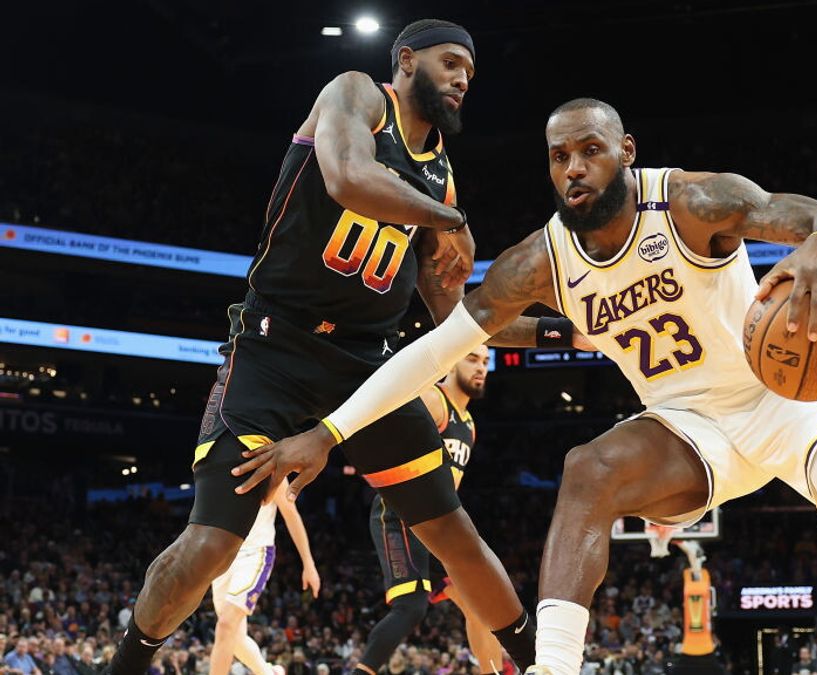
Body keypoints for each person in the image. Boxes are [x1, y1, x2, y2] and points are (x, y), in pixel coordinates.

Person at [232, 98, 817, 675]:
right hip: (686, 428)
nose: (573, 167)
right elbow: (429, 353)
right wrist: (331, 432)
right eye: (559, 155)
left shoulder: (696, 203)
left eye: (590, 150)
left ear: (624, 152)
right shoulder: (539, 262)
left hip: (786, 407)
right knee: (587, 468)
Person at [106, 18, 576, 675]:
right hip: (276, 347)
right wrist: (451, 219)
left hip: (367, 365)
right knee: (211, 541)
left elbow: (460, 320)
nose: (463, 77)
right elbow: (347, 177)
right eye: (449, 62)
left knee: (455, 535)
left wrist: (575, 329)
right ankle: (124, 664)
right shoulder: (357, 95)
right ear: (406, 60)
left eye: (470, 69)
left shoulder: (441, 174)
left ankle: (542, 664)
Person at [355, 347, 507, 675]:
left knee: (485, 608)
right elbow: (380, 425)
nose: (481, 367)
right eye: (472, 359)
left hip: (438, 525)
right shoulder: (434, 401)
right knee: (411, 608)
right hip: (401, 516)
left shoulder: (468, 423)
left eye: (485, 361)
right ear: (451, 363)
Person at [210, 478, 321, 675]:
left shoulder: (272, 465)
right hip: (222, 556)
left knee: (226, 624)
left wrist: (308, 563)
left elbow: (291, 514)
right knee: (235, 637)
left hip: (254, 553)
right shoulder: (222, 461)